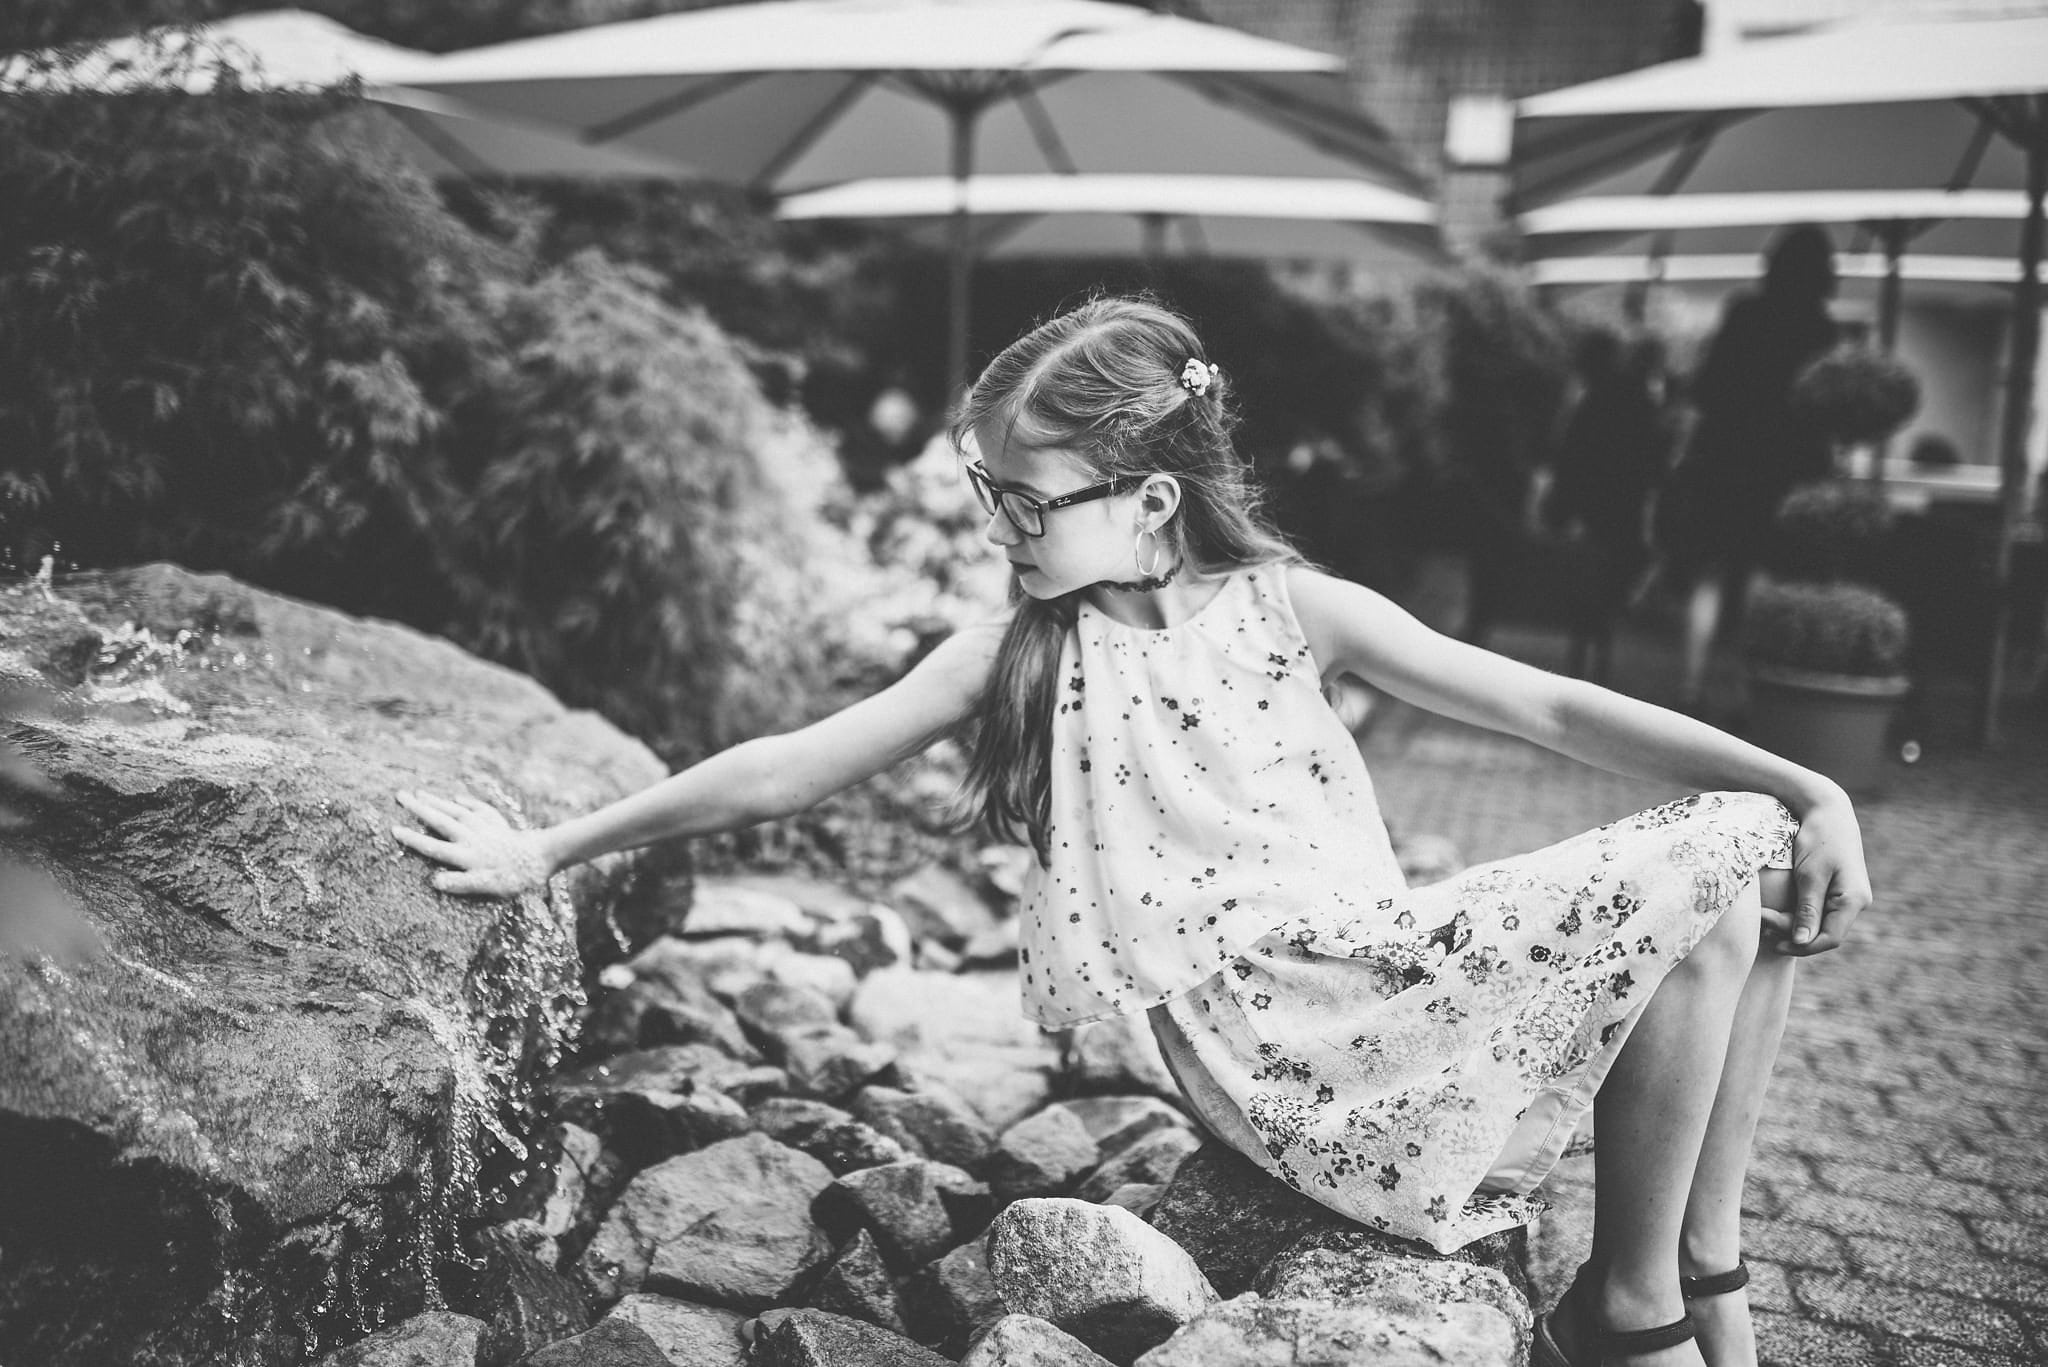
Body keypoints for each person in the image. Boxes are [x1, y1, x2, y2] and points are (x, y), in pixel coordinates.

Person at [393, 297, 1872, 1367]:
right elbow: (786, 767)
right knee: (1723, 860)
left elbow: (1545, 706)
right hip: (1275, 1050)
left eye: (1021, 498)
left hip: (1368, 983)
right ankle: (1645, 1304)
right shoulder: (1027, 651)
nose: (997, 526)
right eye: (986, 492)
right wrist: (549, 848)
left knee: (1744, 850)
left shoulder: (1296, 611)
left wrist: (1811, 783)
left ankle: (1677, 1270)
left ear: (1151, 496)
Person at [1659, 225, 1840, 713]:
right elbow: (1825, 412)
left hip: (1725, 460)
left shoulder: (1746, 313)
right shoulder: (1821, 328)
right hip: (1787, 469)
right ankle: (1743, 691)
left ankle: (1691, 688)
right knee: (1763, 577)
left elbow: (1704, 389)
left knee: (1711, 574)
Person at [1551, 331, 1675, 684]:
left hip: (1592, 505)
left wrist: (1562, 506)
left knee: (1587, 578)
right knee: (1610, 580)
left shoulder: (1591, 400)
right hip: (1626, 503)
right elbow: (1655, 454)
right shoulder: (1638, 397)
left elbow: (1569, 455)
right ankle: (1599, 657)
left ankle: (1581, 655)